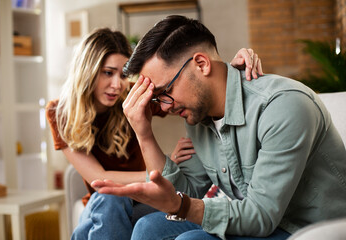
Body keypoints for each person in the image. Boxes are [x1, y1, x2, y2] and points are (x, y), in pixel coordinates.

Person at [92, 15, 346, 240]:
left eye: (165, 91)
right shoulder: (198, 117)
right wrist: (143, 131)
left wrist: (181, 207)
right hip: (259, 221)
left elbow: (261, 215)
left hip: (305, 229)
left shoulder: (283, 106)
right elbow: (188, 190)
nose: (165, 107)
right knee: (148, 228)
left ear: (201, 64)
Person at [46, 27, 261, 240]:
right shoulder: (59, 113)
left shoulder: (132, 95)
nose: (117, 85)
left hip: (146, 199)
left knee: (90, 228)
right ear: (88, 71)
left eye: (123, 75)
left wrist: (230, 74)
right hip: (108, 203)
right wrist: (162, 170)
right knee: (109, 198)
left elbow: (197, 98)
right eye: (108, 73)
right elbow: (98, 179)